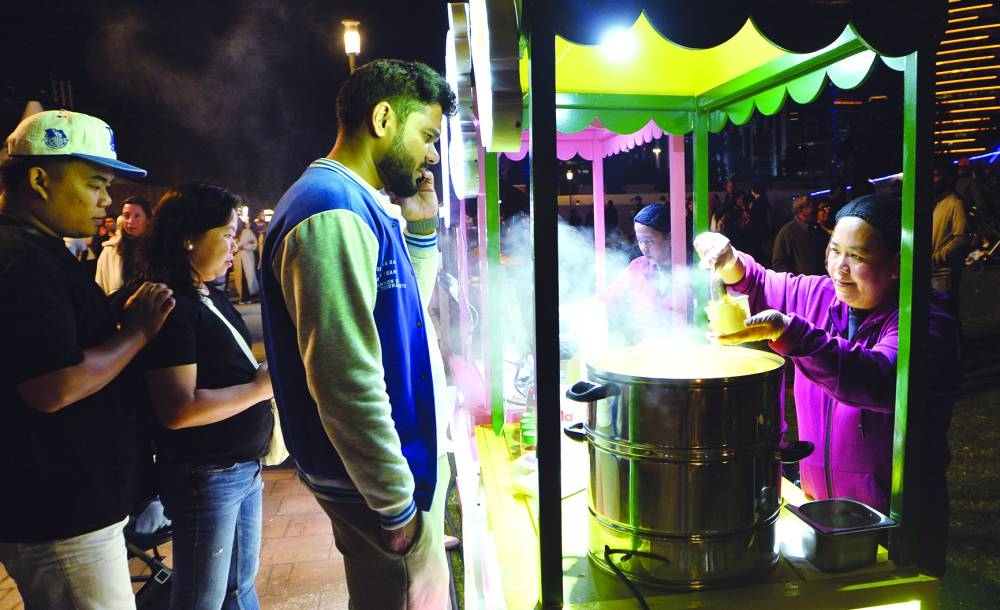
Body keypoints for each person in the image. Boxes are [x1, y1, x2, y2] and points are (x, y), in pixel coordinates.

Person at [259, 59, 457, 608]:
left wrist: (419, 229)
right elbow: (345, 378)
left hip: (386, 474)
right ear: (385, 117)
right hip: (374, 488)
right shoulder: (330, 209)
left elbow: (402, 311)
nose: (432, 155)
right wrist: (396, 507)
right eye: (427, 135)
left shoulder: (355, 202)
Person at [694, 193, 960, 575]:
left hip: (895, 516)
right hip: (821, 507)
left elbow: (879, 378)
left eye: (857, 257)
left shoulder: (925, 318)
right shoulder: (822, 295)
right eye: (834, 250)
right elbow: (760, 282)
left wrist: (794, 335)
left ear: (897, 264)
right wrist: (730, 260)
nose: (840, 268)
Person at [0, 109, 174, 608]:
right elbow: (52, 385)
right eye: (96, 183)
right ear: (39, 179)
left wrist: (120, 308)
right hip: (60, 514)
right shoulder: (21, 259)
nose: (108, 200)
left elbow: (67, 336)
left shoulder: (41, 248)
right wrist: (138, 332)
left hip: (76, 503)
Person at [136, 182, 274, 609]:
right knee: (202, 600)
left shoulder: (207, 294)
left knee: (238, 588)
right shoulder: (172, 307)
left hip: (239, 468)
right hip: (207, 475)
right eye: (228, 233)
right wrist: (259, 387)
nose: (236, 244)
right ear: (188, 237)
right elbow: (178, 409)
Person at [603, 203, 675, 344]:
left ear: (669, 237)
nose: (643, 248)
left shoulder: (690, 268)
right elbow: (610, 297)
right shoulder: (637, 266)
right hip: (644, 351)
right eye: (639, 241)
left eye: (648, 241)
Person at [96, 195, 152, 294]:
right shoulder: (111, 249)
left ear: (148, 219)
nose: (130, 222)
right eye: (126, 216)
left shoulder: (157, 247)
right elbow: (99, 286)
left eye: (137, 216)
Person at [931, 164, 969, 306]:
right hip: (931, 270)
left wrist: (938, 257)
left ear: (948, 178)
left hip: (944, 273)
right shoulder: (937, 203)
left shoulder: (955, 203)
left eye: (937, 175)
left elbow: (961, 237)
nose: (933, 180)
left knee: (945, 313)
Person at [772, 194, 828, 275]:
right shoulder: (787, 232)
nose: (816, 210)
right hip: (802, 286)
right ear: (802, 210)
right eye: (813, 207)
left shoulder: (818, 230)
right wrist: (798, 281)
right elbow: (779, 264)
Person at [233, 222, 259, 303]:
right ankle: (243, 297)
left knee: (246, 277)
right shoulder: (235, 233)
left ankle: (247, 298)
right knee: (240, 278)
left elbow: (254, 244)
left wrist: (244, 246)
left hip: (246, 258)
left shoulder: (247, 232)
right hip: (238, 259)